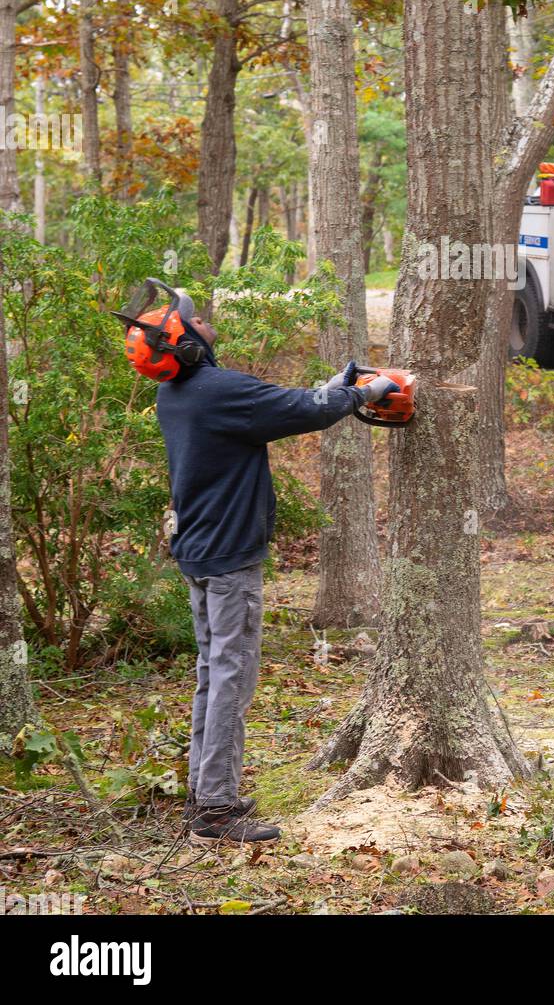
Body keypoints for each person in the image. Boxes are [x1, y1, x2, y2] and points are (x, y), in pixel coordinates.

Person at [148, 290, 394, 847]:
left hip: (198, 552)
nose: (207, 321)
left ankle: (203, 792)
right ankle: (215, 810)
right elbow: (303, 412)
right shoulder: (220, 390)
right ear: (183, 343)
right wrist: (363, 395)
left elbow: (288, 404)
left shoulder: (177, 394)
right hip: (230, 558)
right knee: (232, 677)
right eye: (197, 320)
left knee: (214, 675)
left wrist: (337, 389)